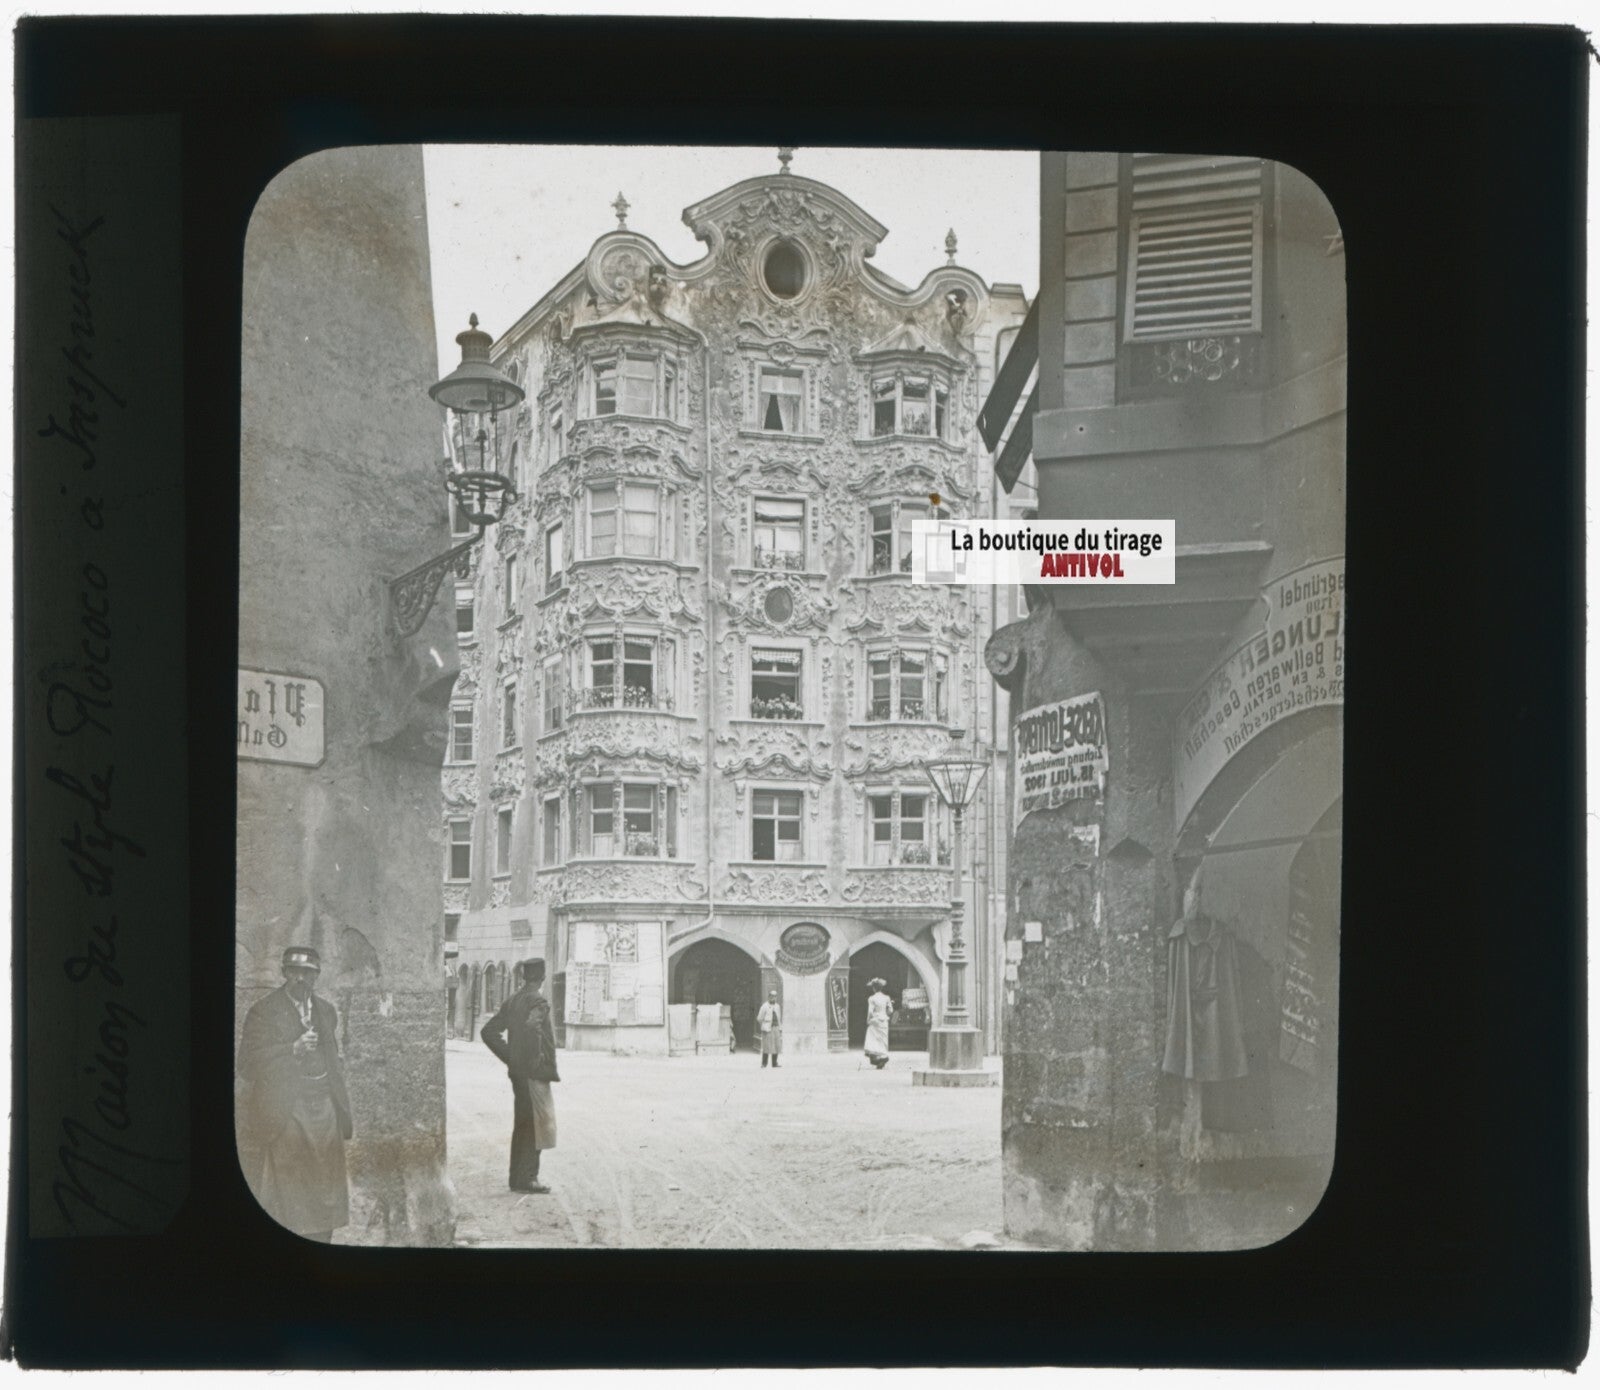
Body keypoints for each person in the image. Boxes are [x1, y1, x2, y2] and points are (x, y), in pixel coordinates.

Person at [237, 945, 352, 1242]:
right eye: (295, 972)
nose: (301, 979)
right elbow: (247, 1065)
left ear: (317, 976)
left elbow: (333, 1057)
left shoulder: (326, 1011)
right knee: (289, 1187)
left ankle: (322, 1241)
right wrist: (292, 1050)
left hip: (325, 1109)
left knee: (326, 1184)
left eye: (308, 973)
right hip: (288, 1109)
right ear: (285, 973)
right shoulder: (264, 1011)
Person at [481, 958, 560, 1194]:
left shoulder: (513, 1000)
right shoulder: (538, 1001)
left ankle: (517, 1178)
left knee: (522, 1123)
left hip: (517, 1072)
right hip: (533, 1073)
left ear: (525, 977)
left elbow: (488, 1031)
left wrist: (511, 1057)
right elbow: (532, 1026)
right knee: (537, 1124)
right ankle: (529, 1178)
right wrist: (534, 1058)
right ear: (542, 977)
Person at [864, 977, 894, 1070]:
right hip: (884, 1020)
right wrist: (885, 1013)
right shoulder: (886, 997)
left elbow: (870, 1012)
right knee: (883, 1039)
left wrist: (868, 1020)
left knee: (872, 1038)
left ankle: (876, 1057)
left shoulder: (872, 998)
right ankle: (883, 1056)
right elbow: (891, 1010)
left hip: (875, 1020)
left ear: (874, 988)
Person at [756, 989, 782, 1068]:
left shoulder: (777, 1006)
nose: (773, 998)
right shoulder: (764, 1006)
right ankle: (764, 1064)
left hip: (776, 1028)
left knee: (776, 1046)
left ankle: (774, 1063)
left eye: (775, 996)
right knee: (766, 1046)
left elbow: (779, 1018)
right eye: (772, 996)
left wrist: (779, 1028)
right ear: (769, 997)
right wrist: (764, 1025)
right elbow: (759, 1018)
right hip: (767, 1029)